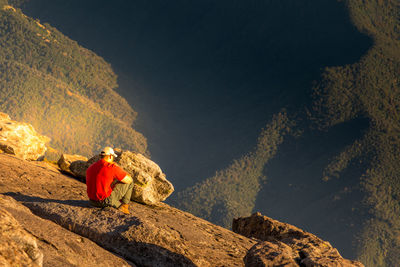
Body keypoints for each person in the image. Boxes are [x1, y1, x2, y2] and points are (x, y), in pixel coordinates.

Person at [86, 147, 133, 214]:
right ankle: (124, 206)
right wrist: (119, 169)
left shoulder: (91, 167)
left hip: (92, 201)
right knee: (131, 182)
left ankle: (117, 203)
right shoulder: (111, 167)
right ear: (110, 156)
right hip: (105, 201)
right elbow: (129, 180)